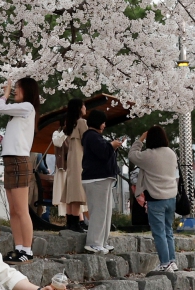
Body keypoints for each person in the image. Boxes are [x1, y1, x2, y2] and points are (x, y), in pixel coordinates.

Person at [0, 78, 38, 264]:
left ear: (27, 90)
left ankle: (27, 250)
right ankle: (19, 248)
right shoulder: (18, 113)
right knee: (14, 210)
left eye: (18, 88)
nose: (15, 91)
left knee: (21, 209)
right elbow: (11, 142)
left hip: (19, 161)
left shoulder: (27, 107)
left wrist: (5, 94)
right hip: (11, 160)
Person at [128, 125, 178, 272]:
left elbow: (132, 155)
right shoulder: (171, 153)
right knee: (168, 231)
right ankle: (172, 261)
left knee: (159, 232)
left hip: (156, 198)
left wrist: (141, 139)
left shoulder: (148, 155)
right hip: (171, 197)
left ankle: (164, 263)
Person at [81, 109, 120, 254]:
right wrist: (112, 145)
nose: (104, 125)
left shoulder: (94, 137)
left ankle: (102, 241)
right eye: (103, 122)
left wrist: (112, 146)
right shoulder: (91, 136)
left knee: (105, 212)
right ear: (97, 122)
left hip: (102, 179)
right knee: (99, 212)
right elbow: (103, 153)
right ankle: (93, 242)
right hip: (96, 179)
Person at [59, 98, 88, 232]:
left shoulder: (70, 124)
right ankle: (75, 223)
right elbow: (87, 140)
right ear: (79, 108)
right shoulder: (81, 122)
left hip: (71, 159)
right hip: (79, 159)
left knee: (70, 192)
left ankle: (70, 222)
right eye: (83, 106)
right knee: (76, 192)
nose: (85, 108)